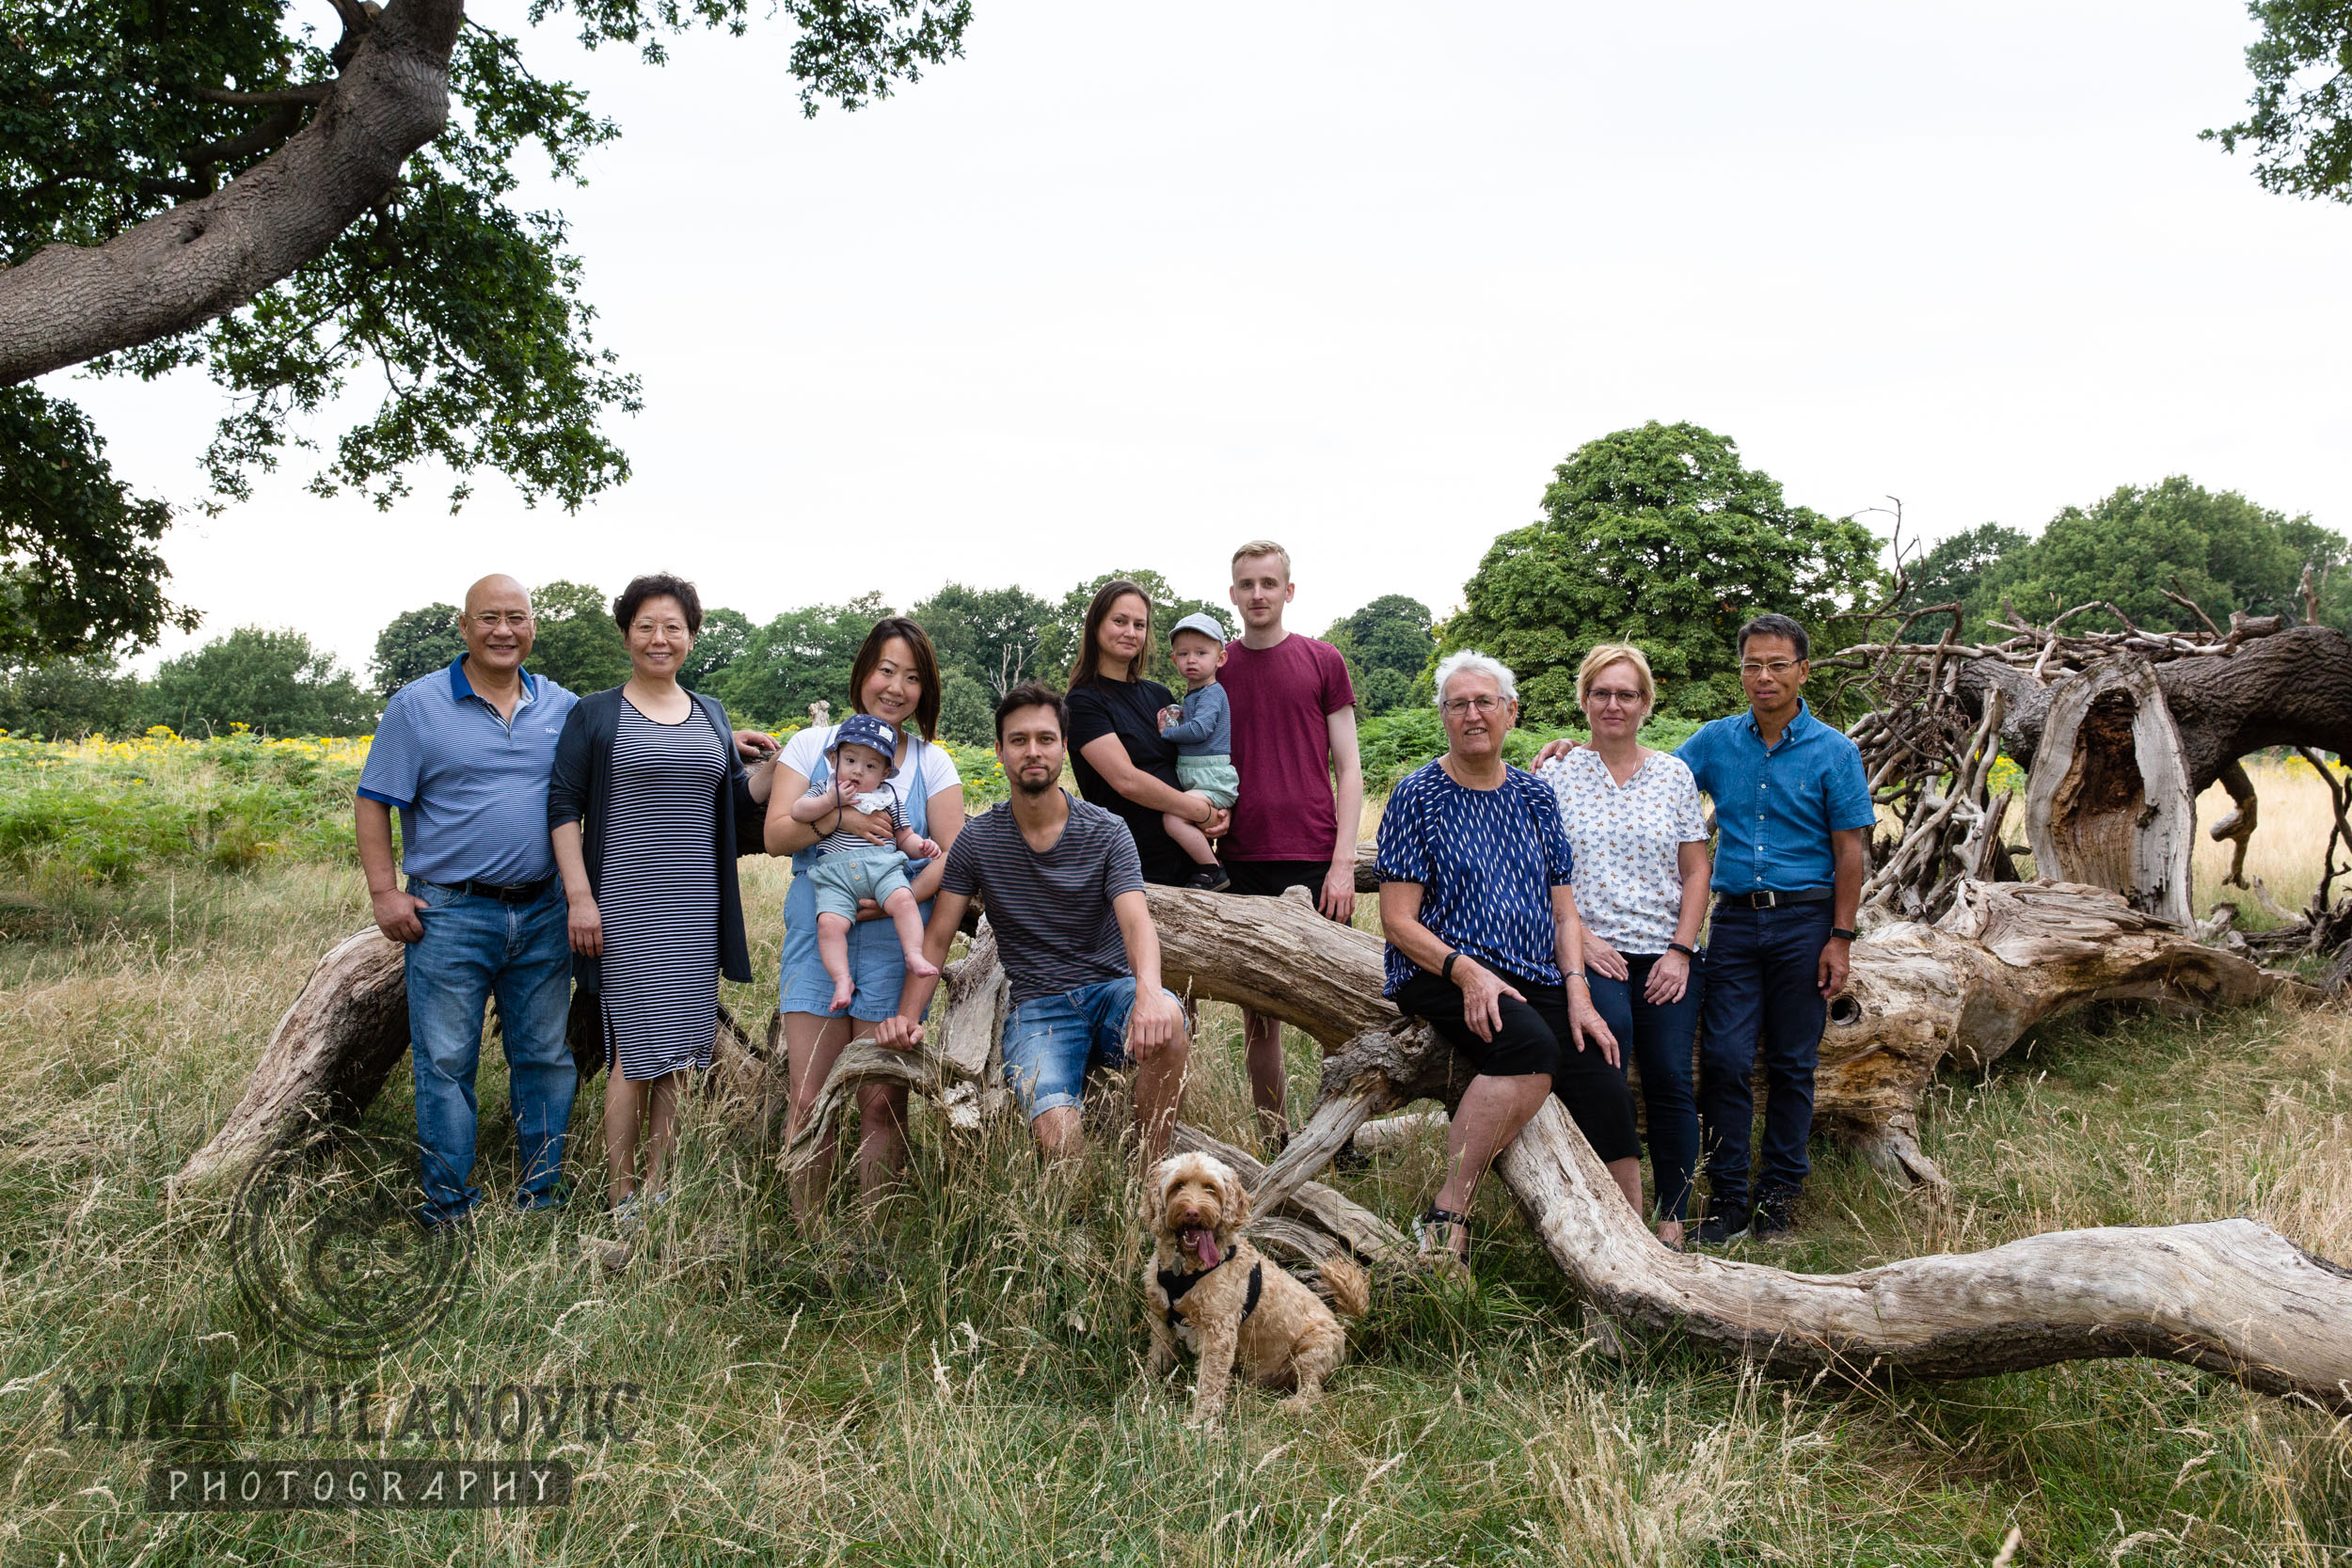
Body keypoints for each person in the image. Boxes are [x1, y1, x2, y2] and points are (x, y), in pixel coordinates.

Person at [1532, 612, 1872, 1245]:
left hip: (1805, 917)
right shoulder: (1715, 743)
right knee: (1723, 1060)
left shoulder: (1835, 751)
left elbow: (1850, 850)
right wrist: (1573, 749)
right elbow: (1637, 766)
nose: (1763, 676)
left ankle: (1778, 1203)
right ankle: (1729, 1200)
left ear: (1803, 670)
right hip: (1738, 920)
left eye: (1777, 664)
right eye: (1752, 664)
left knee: (1795, 1063)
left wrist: (1841, 937)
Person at [1374, 651, 1642, 1270]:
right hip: (1438, 970)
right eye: (1459, 704)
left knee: (1601, 1065)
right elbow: (1397, 920)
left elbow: (1564, 912)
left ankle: (1634, 1242)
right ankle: (1449, 1214)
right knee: (1527, 1046)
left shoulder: (1534, 796)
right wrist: (1465, 970)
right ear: (1443, 716)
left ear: (1510, 712)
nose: (1473, 714)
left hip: (1533, 971)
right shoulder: (1418, 795)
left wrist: (1578, 991)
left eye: (1485, 702)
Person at [878, 683, 1193, 1165]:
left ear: (1064, 747)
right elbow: (938, 937)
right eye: (1019, 740)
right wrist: (907, 1017)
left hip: (1111, 992)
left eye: (1046, 739)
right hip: (1040, 1011)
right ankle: (1080, 1212)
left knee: (1170, 1019)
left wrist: (1148, 991)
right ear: (1000, 750)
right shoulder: (978, 840)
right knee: (1060, 1142)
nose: (1033, 751)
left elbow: (1136, 923)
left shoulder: (1107, 830)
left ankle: (1153, 1172)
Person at [548, 574, 775, 1227]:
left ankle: (659, 1186)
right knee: (633, 1054)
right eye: (646, 625)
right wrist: (579, 898)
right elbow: (563, 806)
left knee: (679, 1051)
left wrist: (776, 771)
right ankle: (622, 1198)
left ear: (692, 637)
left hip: (695, 906)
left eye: (673, 626)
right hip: (622, 903)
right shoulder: (595, 713)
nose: (660, 638)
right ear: (626, 634)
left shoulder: (711, 712)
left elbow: (733, 799)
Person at [356, 575, 580, 1227]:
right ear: (464, 626)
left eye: (516, 617)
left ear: (533, 626)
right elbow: (374, 802)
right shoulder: (417, 707)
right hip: (449, 913)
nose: (503, 630)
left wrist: (720, 744)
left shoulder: (560, 705)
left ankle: (541, 1193)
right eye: (489, 618)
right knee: (447, 1062)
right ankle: (448, 1203)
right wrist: (384, 893)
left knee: (543, 1056)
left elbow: (630, 731)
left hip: (543, 910)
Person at [764, 617, 965, 1217]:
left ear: (925, 689)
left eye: (912, 677)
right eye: (885, 670)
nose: (896, 687)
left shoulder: (933, 763)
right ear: (863, 674)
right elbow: (778, 833)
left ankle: (874, 1237)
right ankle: (809, 1238)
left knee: (880, 1100)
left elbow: (956, 858)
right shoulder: (812, 745)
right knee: (810, 1095)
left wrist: (895, 896)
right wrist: (842, 821)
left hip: (894, 939)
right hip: (820, 927)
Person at [1534, 643, 1711, 1250]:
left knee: (1669, 1075)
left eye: (1627, 694)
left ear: (1646, 704)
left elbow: (1695, 871)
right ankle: (1608, 1207)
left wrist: (1681, 950)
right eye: (1602, 693)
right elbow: (1540, 871)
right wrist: (1581, 938)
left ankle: (1672, 1215)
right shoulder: (1554, 774)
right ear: (1584, 700)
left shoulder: (1673, 775)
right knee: (1607, 1062)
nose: (1614, 704)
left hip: (1664, 952)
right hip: (1588, 953)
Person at [1220, 541, 1363, 1146]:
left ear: (1288, 591)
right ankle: (1277, 1141)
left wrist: (1342, 866)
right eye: (1247, 585)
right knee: (1262, 1021)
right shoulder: (1215, 666)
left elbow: (1350, 769)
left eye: (1269, 584)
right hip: (1239, 858)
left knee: (1343, 1015)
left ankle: (1344, 1140)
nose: (1258, 595)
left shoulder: (1322, 660)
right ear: (1233, 594)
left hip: (1311, 854)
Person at [1064, 580, 1230, 887]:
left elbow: (1194, 758)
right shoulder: (1082, 702)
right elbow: (1125, 780)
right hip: (1134, 866)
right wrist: (1198, 810)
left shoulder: (1159, 695)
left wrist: (1218, 807)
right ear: (1095, 625)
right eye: (1119, 621)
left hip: (1194, 865)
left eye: (1139, 625)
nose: (1131, 632)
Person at [785, 712, 946, 1011]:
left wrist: (921, 847)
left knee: (904, 900)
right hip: (834, 876)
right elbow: (798, 811)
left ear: (884, 773)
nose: (857, 771)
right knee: (829, 925)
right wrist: (830, 804)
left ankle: (913, 953)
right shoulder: (825, 788)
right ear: (834, 759)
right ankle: (842, 978)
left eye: (870, 766)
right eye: (850, 761)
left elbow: (904, 836)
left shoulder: (889, 797)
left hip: (883, 869)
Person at [1156, 611, 1239, 891]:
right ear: (1174, 659)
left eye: (1201, 653)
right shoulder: (1193, 695)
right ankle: (1204, 866)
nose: (1191, 659)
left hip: (1211, 778)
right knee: (1179, 816)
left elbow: (1200, 730)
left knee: (1173, 816)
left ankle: (1212, 869)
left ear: (1220, 659)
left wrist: (1166, 733)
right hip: (1198, 777)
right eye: (1183, 653)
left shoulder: (1213, 693)